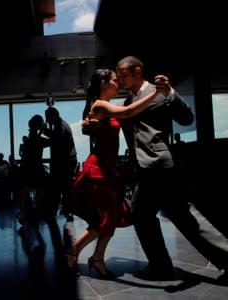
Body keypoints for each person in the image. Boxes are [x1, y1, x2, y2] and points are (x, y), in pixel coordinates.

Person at [115, 55, 228, 281]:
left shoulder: (159, 93)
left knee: (141, 213)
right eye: (118, 77)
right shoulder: (128, 102)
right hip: (149, 166)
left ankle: (160, 266)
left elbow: (187, 118)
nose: (120, 80)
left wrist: (170, 93)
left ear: (138, 71)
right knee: (181, 213)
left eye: (123, 75)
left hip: (157, 164)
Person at [66, 68, 165, 278]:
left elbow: (120, 114)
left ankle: (97, 259)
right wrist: (155, 93)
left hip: (108, 170)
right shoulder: (101, 105)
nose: (118, 82)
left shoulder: (108, 106)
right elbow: (128, 113)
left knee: (111, 219)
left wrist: (87, 123)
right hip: (98, 170)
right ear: (104, 84)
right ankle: (73, 251)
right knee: (103, 221)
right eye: (114, 80)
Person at [42, 106, 77, 220]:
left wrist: (44, 130)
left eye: (47, 117)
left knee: (58, 187)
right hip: (66, 160)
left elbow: (57, 140)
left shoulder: (60, 127)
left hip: (65, 161)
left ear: (54, 115)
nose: (46, 120)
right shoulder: (60, 125)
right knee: (64, 187)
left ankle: (56, 212)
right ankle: (66, 210)